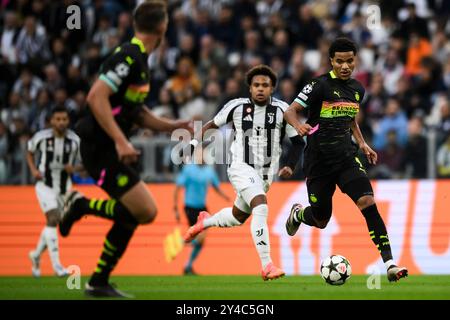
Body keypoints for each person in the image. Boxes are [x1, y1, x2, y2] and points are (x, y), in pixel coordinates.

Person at [59, 1, 192, 298]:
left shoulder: (140, 60)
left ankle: (98, 282)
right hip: (102, 146)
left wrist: (173, 125)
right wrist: (121, 141)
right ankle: (81, 206)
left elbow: (137, 113)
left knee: (133, 214)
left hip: (111, 146)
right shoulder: (129, 56)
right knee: (145, 210)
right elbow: (96, 97)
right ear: (162, 27)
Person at [283, 37, 408, 282]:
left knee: (367, 201)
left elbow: (350, 118)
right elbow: (290, 111)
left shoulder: (358, 89)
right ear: (331, 61)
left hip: (346, 158)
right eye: (339, 61)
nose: (345, 66)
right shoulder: (318, 85)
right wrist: (298, 126)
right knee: (321, 219)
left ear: (355, 61)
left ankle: (390, 264)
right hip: (318, 162)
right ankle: (298, 214)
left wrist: (361, 143)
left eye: (350, 61)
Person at [183, 64, 304, 281]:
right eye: (256, 85)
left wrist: (291, 165)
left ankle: (205, 222)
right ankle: (267, 265)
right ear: (249, 88)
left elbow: (297, 142)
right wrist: (193, 144)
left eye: (265, 85)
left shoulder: (282, 110)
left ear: (272, 88)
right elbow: (212, 124)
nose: (260, 89)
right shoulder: (236, 107)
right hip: (240, 166)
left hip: (266, 175)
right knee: (261, 204)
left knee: (239, 217)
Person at [26, 106, 81, 278]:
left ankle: (35, 255)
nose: (61, 122)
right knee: (53, 218)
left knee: (53, 222)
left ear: (68, 121)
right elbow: (29, 151)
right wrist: (34, 170)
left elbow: (84, 163)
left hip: (65, 187)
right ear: (51, 121)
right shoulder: (41, 137)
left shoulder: (75, 141)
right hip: (45, 185)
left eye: (64, 119)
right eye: (58, 119)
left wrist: (75, 168)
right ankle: (57, 266)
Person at [174, 146, 230, 275]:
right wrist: (175, 208)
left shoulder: (209, 171)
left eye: (203, 154)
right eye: (199, 154)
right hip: (190, 207)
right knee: (199, 238)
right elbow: (177, 188)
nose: (201, 157)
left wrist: (225, 196)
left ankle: (188, 265)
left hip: (202, 208)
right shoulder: (188, 169)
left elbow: (216, 186)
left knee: (201, 241)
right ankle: (181, 242)